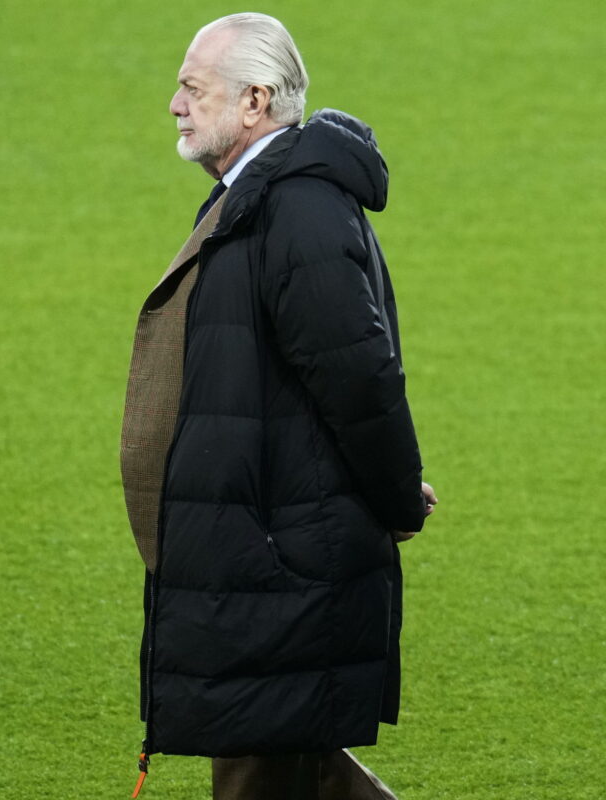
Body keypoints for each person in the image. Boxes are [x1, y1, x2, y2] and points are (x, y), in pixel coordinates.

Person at [119, 13, 439, 800]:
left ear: (255, 100)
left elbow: (359, 379)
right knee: (301, 763)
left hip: (277, 559)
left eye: (193, 88)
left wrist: (397, 497)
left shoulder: (297, 212)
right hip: (262, 551)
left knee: (266, 759)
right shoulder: (254, 200)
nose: (175, 105)